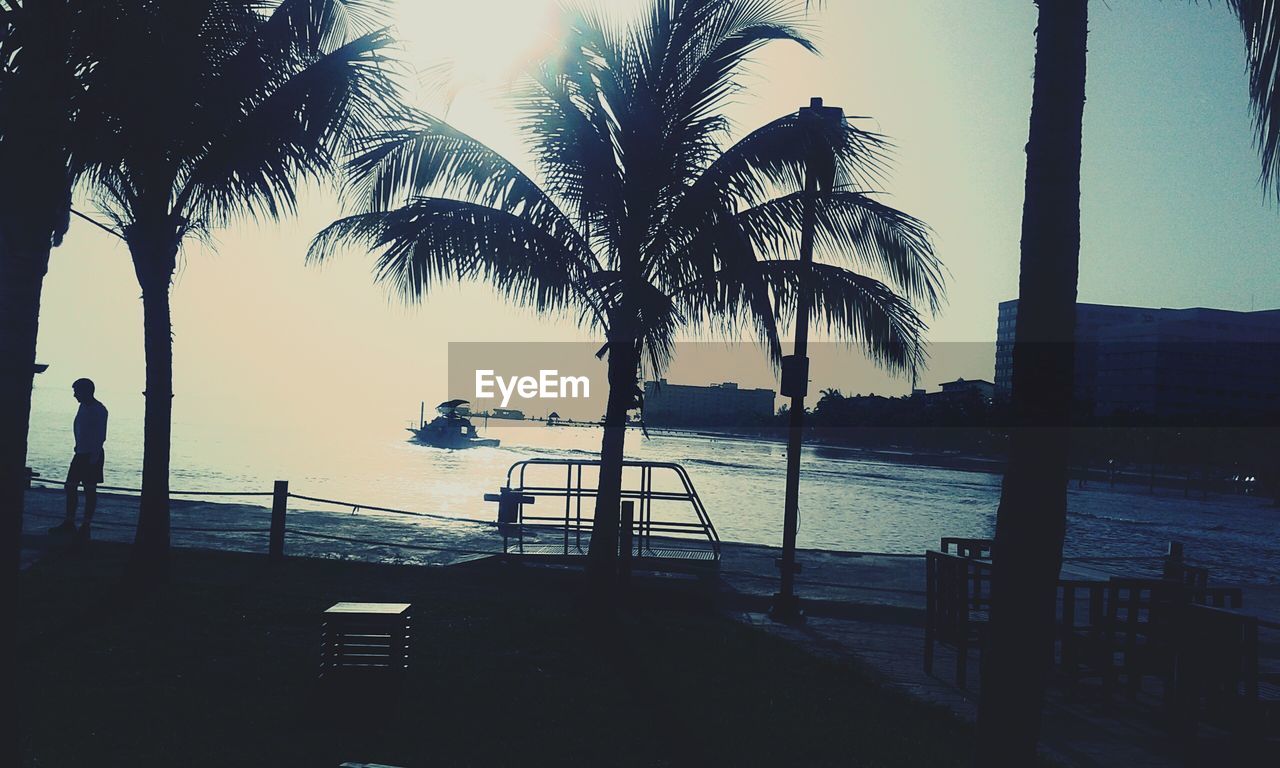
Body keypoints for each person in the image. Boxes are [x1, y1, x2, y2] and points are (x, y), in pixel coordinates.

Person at [51, 378, 108, 542]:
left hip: (91, 455)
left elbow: (100, 436)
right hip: (80, 452)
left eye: (77, 391)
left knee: (89, 490)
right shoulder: (82, 407)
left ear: (86, 391)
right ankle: (69, 521)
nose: (74, 395)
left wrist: (93, 458)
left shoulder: (99, 410)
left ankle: (86, 525)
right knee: (70, 486)